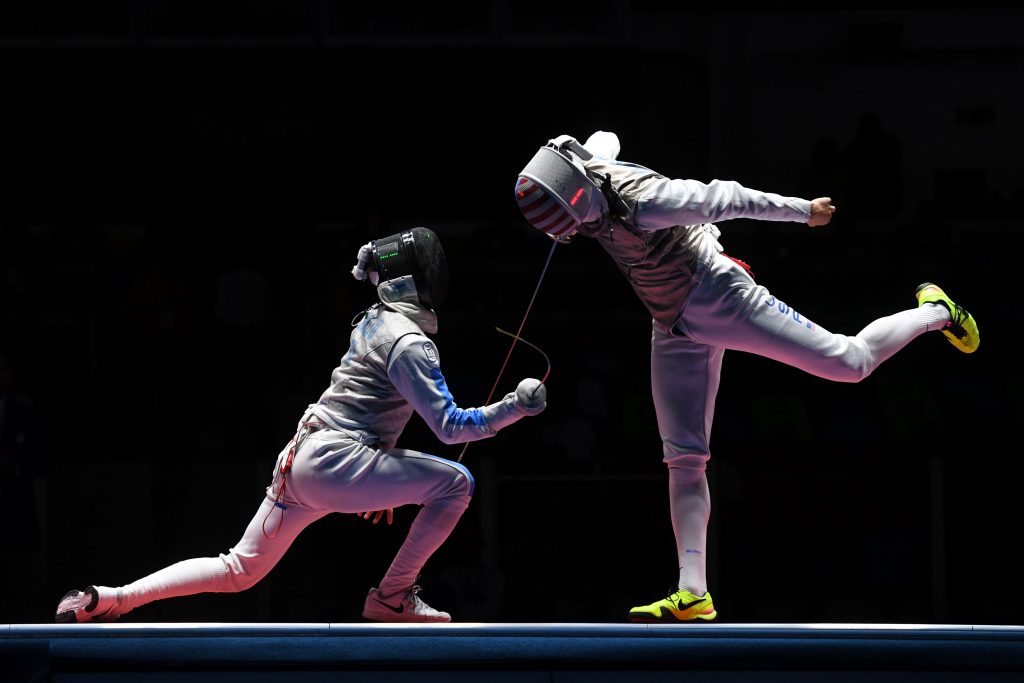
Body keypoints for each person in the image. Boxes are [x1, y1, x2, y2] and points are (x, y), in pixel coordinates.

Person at [513, 132, 979, 623]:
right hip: (672, 322)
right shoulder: (588, 174)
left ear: (580, 193)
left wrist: (803, 210)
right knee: (684, 457)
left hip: (720, 295)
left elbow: (728, 196)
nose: (569, 232)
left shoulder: (646, 202)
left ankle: (936, 312)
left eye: (569, 219)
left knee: (850, 363)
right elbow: (601, 140)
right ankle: (693, 592)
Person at [55, 227, 547, 624]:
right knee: (457, 484)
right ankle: (393, 596)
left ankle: (110, 596)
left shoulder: (372, 320)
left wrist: (378, 480)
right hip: (336, 458)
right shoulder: (410, 342)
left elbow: (365, 403)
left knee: (238, 569)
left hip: (301, 459)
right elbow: (451, 427)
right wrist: (514, 407)